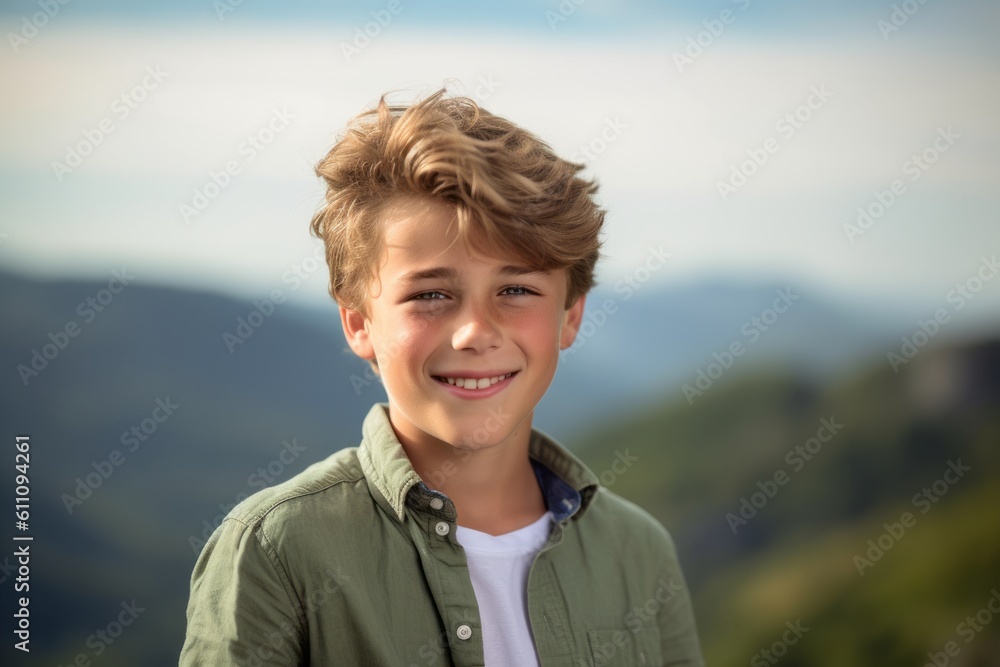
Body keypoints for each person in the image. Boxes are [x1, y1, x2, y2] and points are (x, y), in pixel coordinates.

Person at [180, 88, 704, 666]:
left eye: (516, 290)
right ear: (358, 323)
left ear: (569, 315)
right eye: (430, 294)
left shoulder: (638, 552)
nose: (474, 332)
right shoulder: (277, 552)